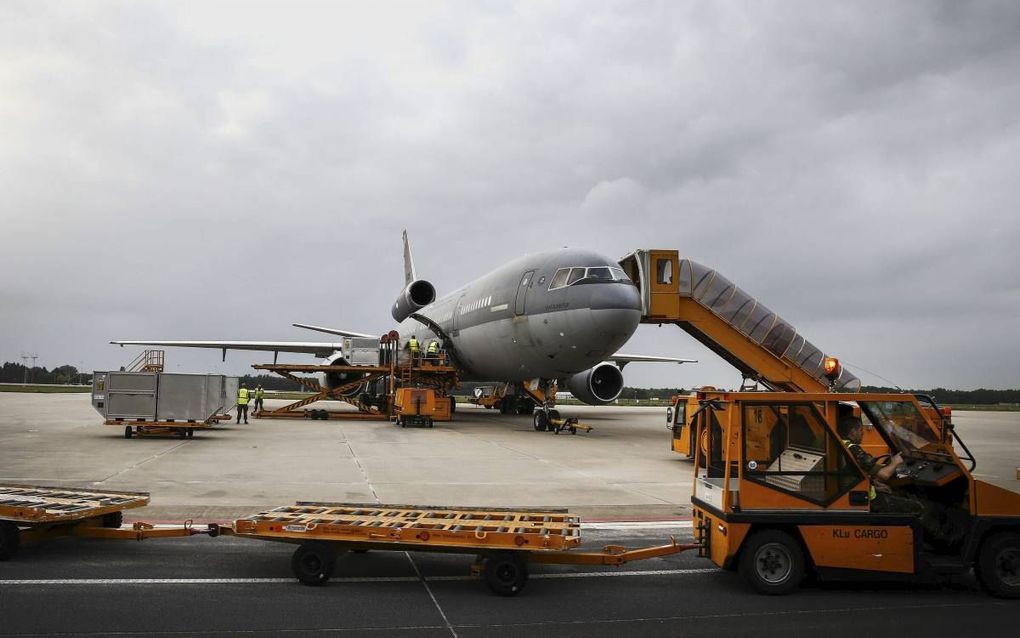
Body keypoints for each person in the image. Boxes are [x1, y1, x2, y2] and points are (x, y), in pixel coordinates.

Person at [838, 415, 964, 547]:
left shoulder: (842, 444)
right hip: (869, 500)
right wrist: (895, 462)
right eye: (860, 431)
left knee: (900, 494)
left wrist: (875, 485)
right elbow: (884, 475)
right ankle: (945, 543)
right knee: (918, 507)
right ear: (852, 432)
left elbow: (853, 473)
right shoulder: (853, 448)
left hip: (860, 493)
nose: (862, 434)